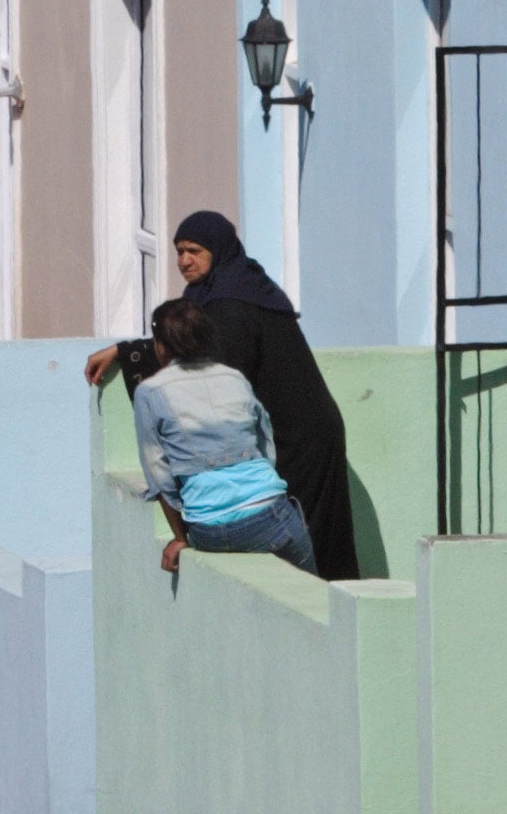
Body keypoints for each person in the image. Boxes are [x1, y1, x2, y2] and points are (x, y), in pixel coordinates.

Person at [89, 209, 360, 580]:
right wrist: (125, 351)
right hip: (291, 431)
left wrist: (133, 355)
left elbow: (204, 365)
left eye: (194, 251)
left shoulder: (233, 303)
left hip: (301, 437)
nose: (184, 261)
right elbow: (192, 344)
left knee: (310, 545)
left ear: (217, 251)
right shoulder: (225, 291)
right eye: (179, 251)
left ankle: (333, 622)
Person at [129, 299, 315, 574]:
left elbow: (158, 474)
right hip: (271, 517)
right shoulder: (234, 377)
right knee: (314, 601)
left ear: (161, 345)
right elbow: (265, 442)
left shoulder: (150, 391)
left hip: (209, 530)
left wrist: (181, 538)